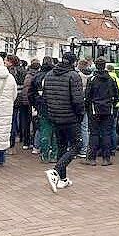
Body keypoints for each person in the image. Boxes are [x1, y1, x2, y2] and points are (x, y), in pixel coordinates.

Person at [42, 52, 84, 192]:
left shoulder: (49, 75)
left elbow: (45, 97)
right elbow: (78, 100)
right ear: (74, 62)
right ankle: (56, 171)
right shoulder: (73, 76)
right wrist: (80, 115)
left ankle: (63, 179)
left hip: (54, 116)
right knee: (77, 145)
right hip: (70, 117)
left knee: (61, 146)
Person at [84, 58, 119, 166]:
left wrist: (88, 108)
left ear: (96, 65)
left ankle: (92, 158)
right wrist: (111, 104)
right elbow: (117, 95)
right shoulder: (111, 79)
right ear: (104, 66)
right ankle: (106, 158)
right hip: (108, 109)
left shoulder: (92, 79)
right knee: (106, 134)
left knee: (94, 133)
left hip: (95, 109)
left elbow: (87, 96)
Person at [28, 56, 57, 163]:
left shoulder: (37, 76)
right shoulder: (57, 75)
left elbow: (31, 93)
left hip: (43, 107)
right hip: (57, 108)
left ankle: (45, 155)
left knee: (45, 131)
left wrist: (35, 105)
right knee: (55, 133)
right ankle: (54, 154)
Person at [5, 55, 27, 153]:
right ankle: (21, 138)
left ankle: (11, 142)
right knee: (22, 119)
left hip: (13, 98)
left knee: (12, 120)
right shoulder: (23, 70)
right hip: (22, 97)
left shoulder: (11, 71)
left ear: (11, 62)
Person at [76, 59, 93, 158]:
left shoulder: (77, 76)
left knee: (77, 126)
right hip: (88, 104)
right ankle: (85, 148)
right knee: (85, 127)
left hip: (78, 103)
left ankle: (77, 147)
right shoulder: (92, 77)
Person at [23, 60, 41, 154]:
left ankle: (27, 142)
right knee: (35, 124)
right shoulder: (38, 77)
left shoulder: (28, 75)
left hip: (28, 102)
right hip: (34, 103)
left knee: (27, 122)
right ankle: (34, 143)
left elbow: (26, 90)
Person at [107, 64, 119, 153]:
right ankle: (113, 148)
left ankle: (106, 148)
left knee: (105, 128)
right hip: (117, 106)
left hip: (107, 106)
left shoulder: (106, 79)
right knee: (113, 128)